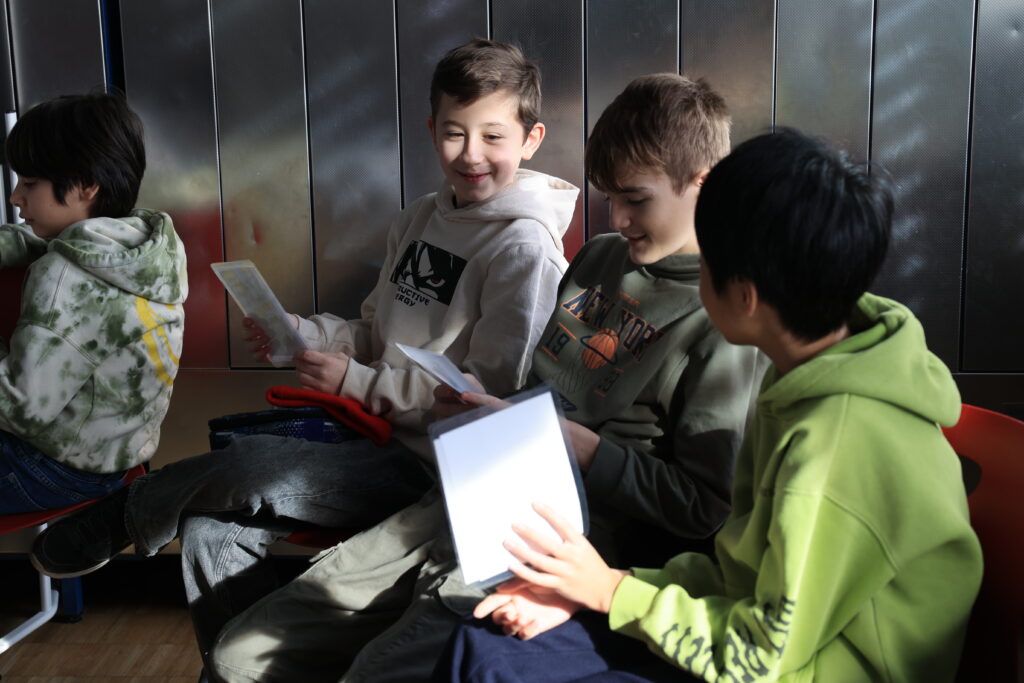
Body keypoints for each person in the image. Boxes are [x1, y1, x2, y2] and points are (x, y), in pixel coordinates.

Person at [31, 38, 577, 669]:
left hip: (435, 467)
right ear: (432, 131)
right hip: (367, 435)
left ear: (531, 140)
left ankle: (126, 515)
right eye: (455, 133)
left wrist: (354, 382)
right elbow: (374, 333)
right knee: (209, 534)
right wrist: (306, 336)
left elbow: (489, 398)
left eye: (493, 136)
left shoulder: (524, 249)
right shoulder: (420, 218)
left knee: (254, 464)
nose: (472, 153)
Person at [208, 73, 761, 682]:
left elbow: (704, 511)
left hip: (565, 543)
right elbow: (539, 388)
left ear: (703, 183)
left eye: (636, 199)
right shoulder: (600, 256)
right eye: (610, 198)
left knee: (373, 671)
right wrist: (482, 409)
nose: (619, 217)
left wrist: (584, 450)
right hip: (470, 496)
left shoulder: (723, 319)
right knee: (238, 657)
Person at [436, 128, 983, 683]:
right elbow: (740, 574)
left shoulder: (833, 449)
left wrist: (610, 592)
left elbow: (757, 657)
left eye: (705, 264)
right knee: (483, 651)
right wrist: (597, 589)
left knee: (490, 669)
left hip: (798, 666)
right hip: (748, 632)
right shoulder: (815, 369)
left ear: (744, 295)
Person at [0, 92, 186, 515]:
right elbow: (45, 244)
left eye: (30, 184)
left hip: (48, 469)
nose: (15, 197)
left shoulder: (64, 277)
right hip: (115, 458)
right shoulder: (139, 249)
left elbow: (21, 408)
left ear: (86, 185)